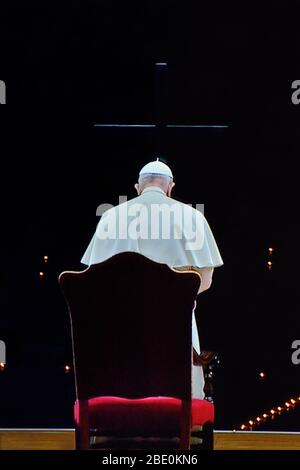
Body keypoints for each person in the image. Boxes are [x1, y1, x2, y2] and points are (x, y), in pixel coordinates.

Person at [81, 159, 223, 398]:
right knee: (182, 392)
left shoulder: (110, 218)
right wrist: (167, 299)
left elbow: (94, 280)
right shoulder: (193, 218)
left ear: (138, 188)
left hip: (121, 327)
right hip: (177, 327)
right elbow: (205, 281)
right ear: (170, 188)